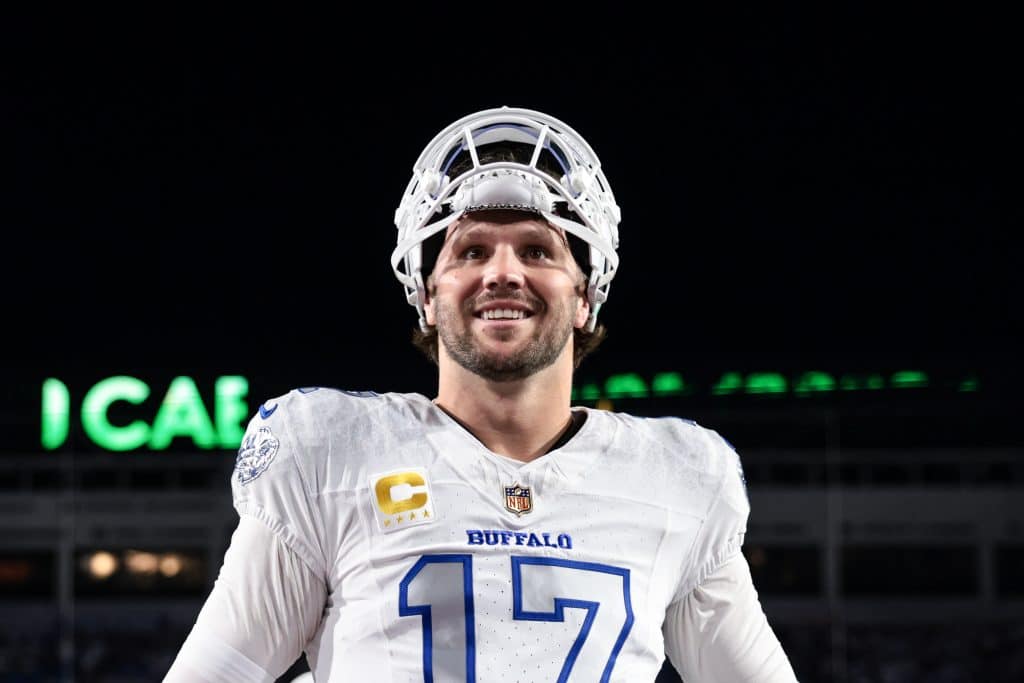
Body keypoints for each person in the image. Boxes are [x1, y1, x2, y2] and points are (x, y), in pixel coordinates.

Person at [164, 106, 798, 682]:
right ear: (426, 293)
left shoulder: (677, 478)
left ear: (585, 296)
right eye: (471, 251)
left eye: (537, 250)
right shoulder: (330, 451)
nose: (502, 273)